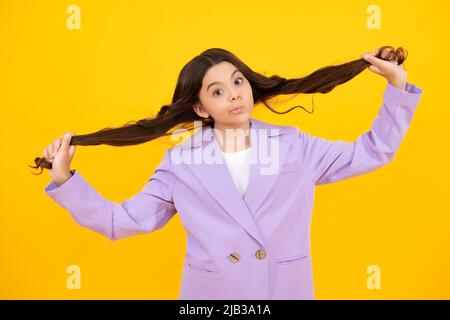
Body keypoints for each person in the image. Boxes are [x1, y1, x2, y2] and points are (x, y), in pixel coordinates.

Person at [37, 47, 423, 299]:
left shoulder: (295, 146)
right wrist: (66, 180)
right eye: (217, 91)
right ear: (201, 108)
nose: (235, 93)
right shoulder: (181, 163)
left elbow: (375, 151)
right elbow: (120, 222)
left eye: (238, 82)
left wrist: (397, 86)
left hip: (283, 292)